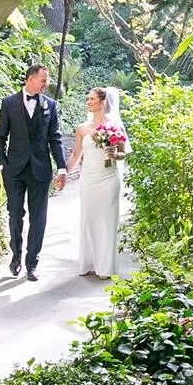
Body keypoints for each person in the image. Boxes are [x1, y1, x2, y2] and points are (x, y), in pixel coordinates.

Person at [0, 64, 67, 281]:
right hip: (14, 170)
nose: (46, 84)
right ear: (31, 79)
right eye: (43, 80)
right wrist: (2, 164)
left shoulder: (50, 105)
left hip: (40, 169)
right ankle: (16, 255)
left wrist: (61, 167)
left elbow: (55, 138)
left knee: (39, 218)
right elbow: (0, 137)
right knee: (15, 213)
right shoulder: (8, 103)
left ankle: (32, 263)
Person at [66, 86, 128, 279]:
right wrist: (62, 173)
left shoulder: (114, 126)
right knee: (88, 220)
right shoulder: (82, 128)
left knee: (107, 222)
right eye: (88, 98)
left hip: (108, 179)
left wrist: (115, 154)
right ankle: (88, 263)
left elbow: (123, 152)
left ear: (103, 102)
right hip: (89, 179)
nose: (88, 102)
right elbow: (76, 154)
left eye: (92, 99)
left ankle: (105, 267)